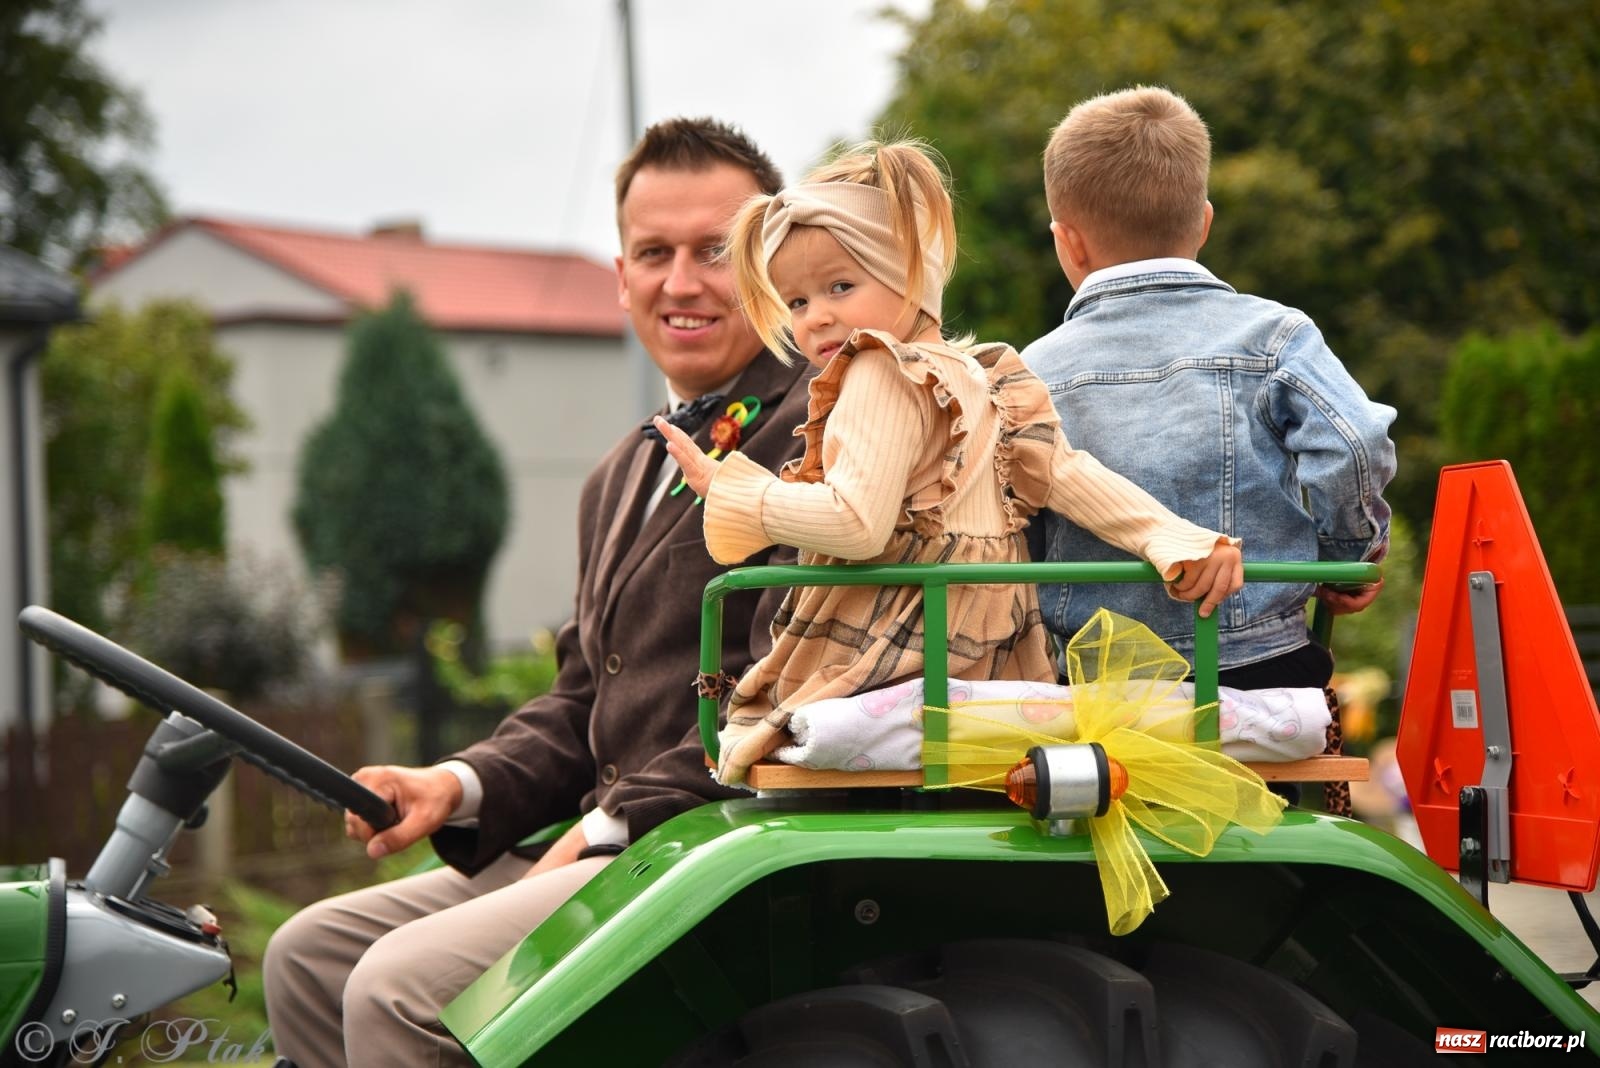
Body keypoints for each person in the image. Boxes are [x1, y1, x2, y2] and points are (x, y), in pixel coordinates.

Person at [262, 117, 814, 1068]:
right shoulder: (619, 474)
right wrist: (454, 784)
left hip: (697, 846)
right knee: (305, 956)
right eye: (653, 253)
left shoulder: (817, 433)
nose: (679, 283)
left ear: (771, 259)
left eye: (714, 252)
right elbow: (579, 699)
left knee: (396, 990)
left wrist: (606, 829)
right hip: (599, 840)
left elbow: (789, 690)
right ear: (621, 275)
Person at [656, 139, 1244, 786]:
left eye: (840, 287)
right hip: (995, 643)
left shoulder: (876, 369)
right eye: (795, 302)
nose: (816, 317)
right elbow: (1069, 474)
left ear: (910, 273)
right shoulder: (987, 372)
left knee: (754, 726)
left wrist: (737, 493)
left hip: (898, 632)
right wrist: (1172, 537)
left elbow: (857, 525)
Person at [1021, 86, 1397, 692]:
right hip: (1262, 665)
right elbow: (1356, 444)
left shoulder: (1029, 369)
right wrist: (1346, 557)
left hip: (1097, 680)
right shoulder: (1276, 334)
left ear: (1068, 241)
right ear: (1203, 222)